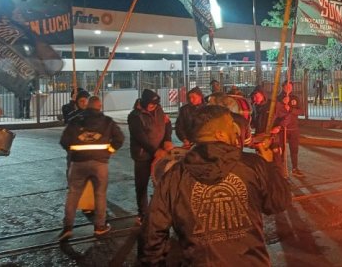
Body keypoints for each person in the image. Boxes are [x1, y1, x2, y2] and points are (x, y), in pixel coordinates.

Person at [140, 105, 291, 266]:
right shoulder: (253, 165)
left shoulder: (174, 176)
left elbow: (152, 236)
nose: (237, 132)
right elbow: (279, 202)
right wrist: (271, 164)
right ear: (220, 134)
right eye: (232, 126)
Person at [58, 96, 124, 240]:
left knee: (73, 194)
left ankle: (67, 227)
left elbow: (63, 141)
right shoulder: (107, 121)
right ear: (99, 106)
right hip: (100, 163)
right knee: (100, 194)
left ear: (87, 106)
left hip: (78, 163)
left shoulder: (76, 121)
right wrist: (109, 152)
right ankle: (100, 227)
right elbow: (120, 139)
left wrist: (74, 152)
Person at [128, 89, 174, 224]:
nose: (153, 107)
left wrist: (167, 139)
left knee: (161, 183)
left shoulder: (159, 110)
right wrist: (154, 151)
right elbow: (140, 137)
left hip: (160, 155)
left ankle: (161, 210)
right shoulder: (135, 116)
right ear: (144, 102)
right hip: (143, 155)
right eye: (151, 105)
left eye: (155, 105)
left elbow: (168, 124)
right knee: (141, 185)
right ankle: (143, 213)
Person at [275, 81, 304, 178]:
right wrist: (282, 104)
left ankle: (295, 168)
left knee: (294, 149)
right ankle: (282, 169)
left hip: (294, 128)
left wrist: (290, 109)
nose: (288, 88)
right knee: (282, 149)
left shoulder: (295, 98)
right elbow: (276, 112)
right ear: (282, 87)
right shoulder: (278, 98)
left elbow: (300, 111)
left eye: (290, 86)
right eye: (286, 86)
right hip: (283, 128)